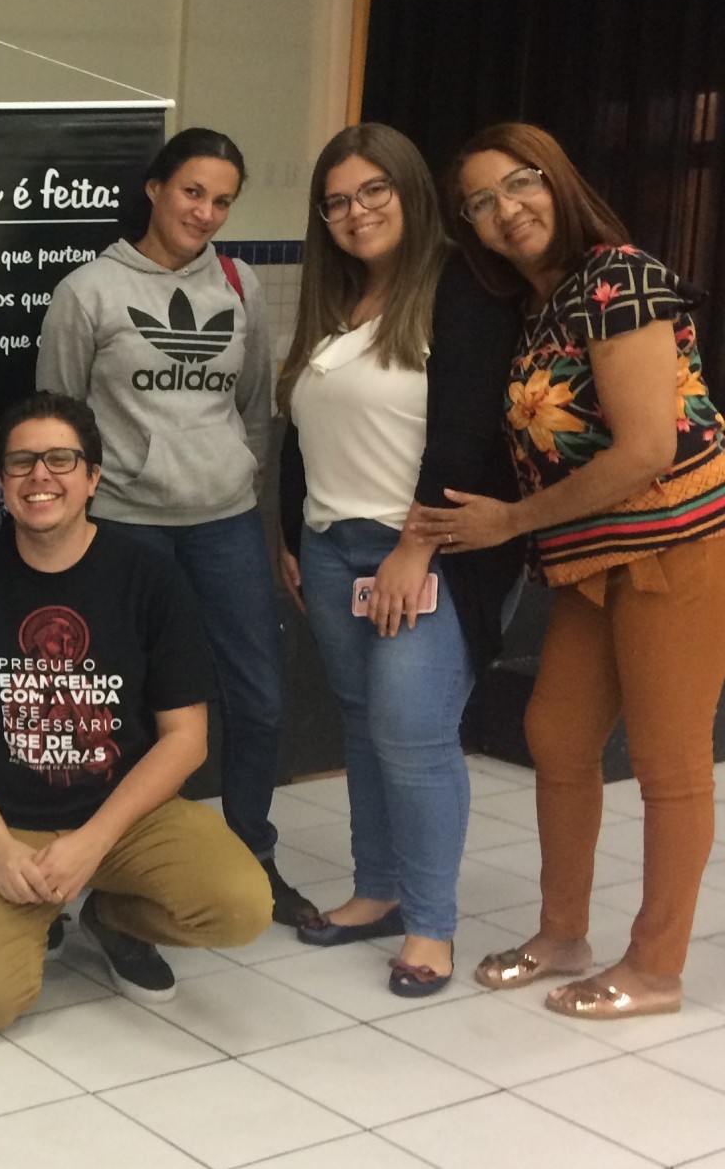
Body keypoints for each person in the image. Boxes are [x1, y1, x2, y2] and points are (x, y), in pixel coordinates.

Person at [406, 123, 725, 1020]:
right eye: (480, 202)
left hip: (674, 541)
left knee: (668, 759)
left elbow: (645, 449)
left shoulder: (618, 275)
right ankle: (562, 933)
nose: (506, 211)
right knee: (557, 733)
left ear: (558, 181)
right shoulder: (542, 303)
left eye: (521, 184)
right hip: (589, 555)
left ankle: (656, 967)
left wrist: (510, 521)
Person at [0, 390, 271, 1030]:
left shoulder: (150, 578)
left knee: (241, 907)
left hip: (123, 821)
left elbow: (187, 738)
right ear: (3, 482)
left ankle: (113, 918)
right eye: (21, 462)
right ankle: (20, 910)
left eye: (61, 460)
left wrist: (92, 844)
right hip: (7, 822)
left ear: (93, 478)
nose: (39, 476)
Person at [34, 127, 313, 927]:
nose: (206, 212)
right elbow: (58, 423)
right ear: (156, 188)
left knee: (259, 698)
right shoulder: (88, 291)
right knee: (123, 711)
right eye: (193, 192)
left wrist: (243, 487)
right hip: (126, 527)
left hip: (224, 523)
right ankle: (120, 873)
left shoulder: (239, 284)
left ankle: (253, 850)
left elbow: (252, 409)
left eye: (223, 200)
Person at [275, 124, 524, 997]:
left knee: (412, 732)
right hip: (330, 545)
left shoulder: (464, 287)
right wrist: (290, 534)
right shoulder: (336, 298)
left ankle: (431, 923)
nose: (356, 212)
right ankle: (377, 888)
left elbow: (464, 432)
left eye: (373, 190)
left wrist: (415, 550)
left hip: (428, 550)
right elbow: (301, 429)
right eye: (337, 201)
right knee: (361, 722)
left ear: (410, 189)